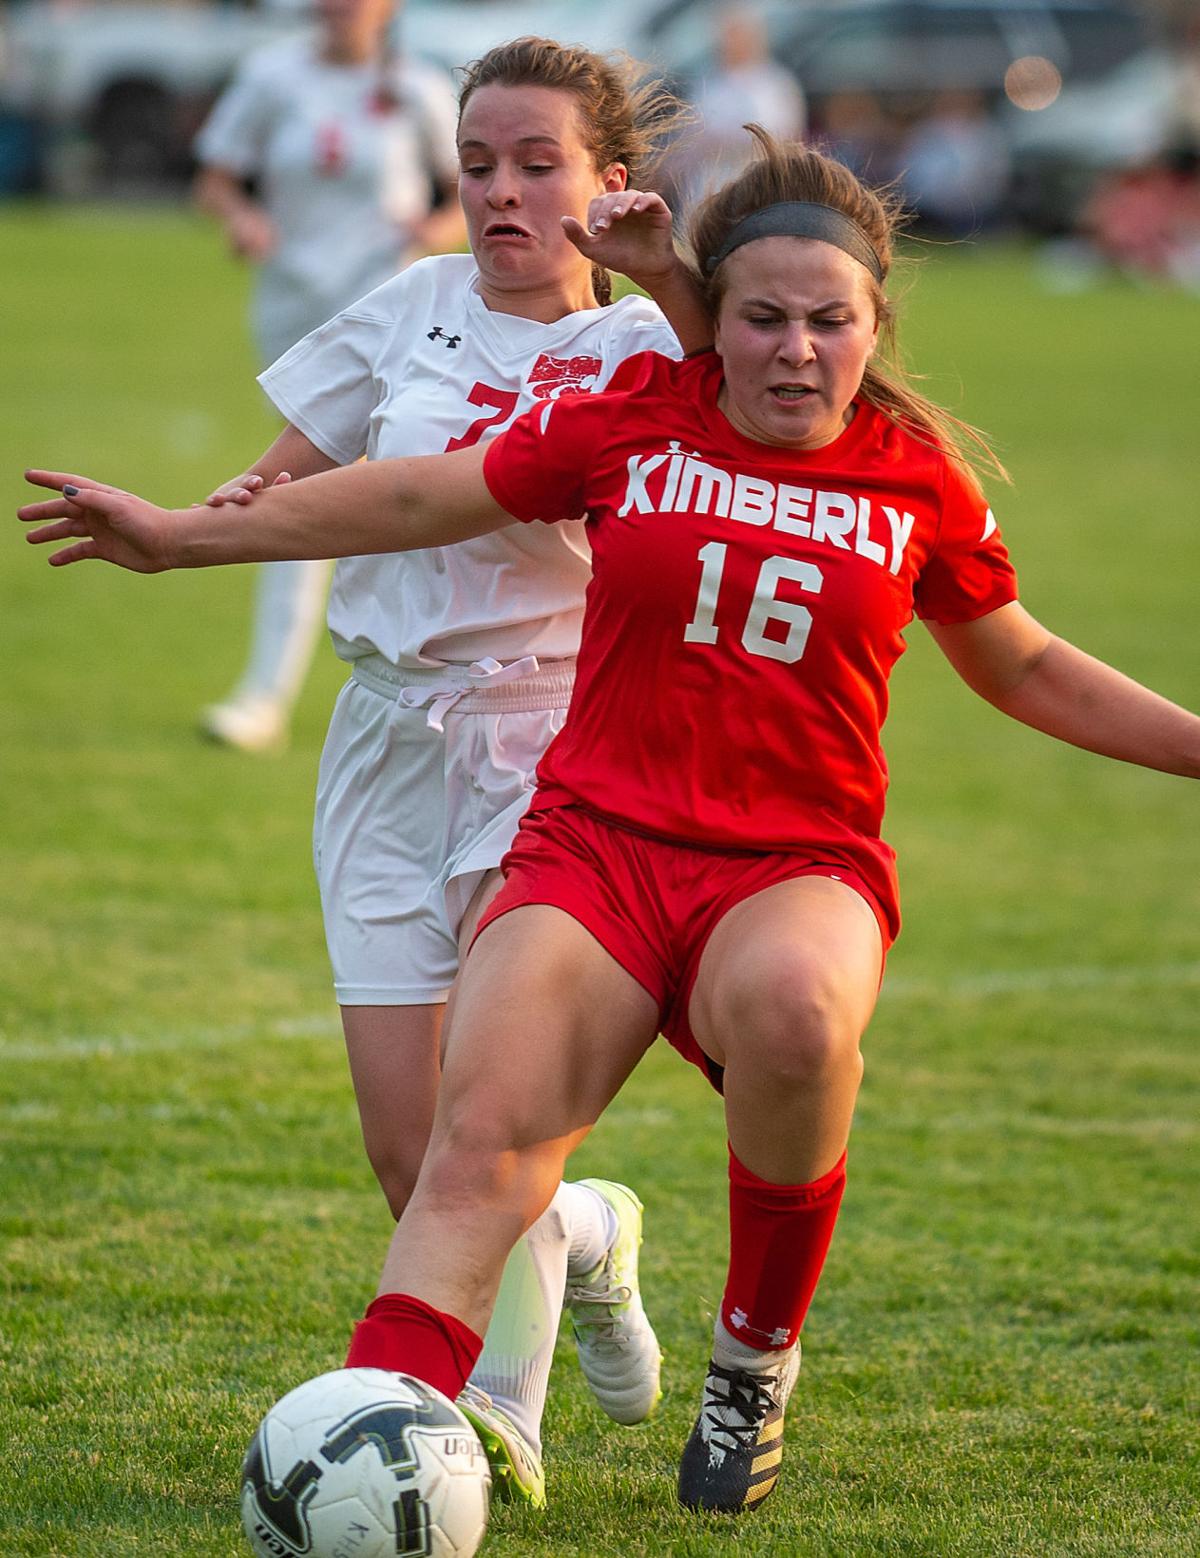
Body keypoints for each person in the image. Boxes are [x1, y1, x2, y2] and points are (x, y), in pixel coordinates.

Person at [23, 128, 1199, 1517]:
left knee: (801, 1014)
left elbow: (1027, 664)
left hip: (792, 860)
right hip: (595, 844)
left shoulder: (917, 477)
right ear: (714, 321)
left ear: (876, 325)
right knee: (475, 1141)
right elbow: (415, 492)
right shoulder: (635, 411)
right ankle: (378, 1430)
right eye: (762, 318)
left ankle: (751, 1361)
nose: (795, 350)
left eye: (829, 322)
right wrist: (180, 536)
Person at [25, 36, 709, 1510]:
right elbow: (300, 467)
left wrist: (668, 272)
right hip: (384, 742)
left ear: (611, 183)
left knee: (488, 1125)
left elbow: (752, 364)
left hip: (549, 747)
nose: (503, 192)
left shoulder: (643, 348)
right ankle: (590, 1232)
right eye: (479, 165)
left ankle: (494, 1421)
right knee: (414, 1159)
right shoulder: (411, 303)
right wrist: (212, 510)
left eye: (539, 165)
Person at [193, 0, 462, 752]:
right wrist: (242, 218)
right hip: (294, 311)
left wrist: (431, 231)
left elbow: (463, 192)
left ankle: (268, 696)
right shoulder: (271, 75)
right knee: (320, 490)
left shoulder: (418, 86)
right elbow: (216, 178)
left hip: (390, 314)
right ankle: (380, 684)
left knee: (318, 490)